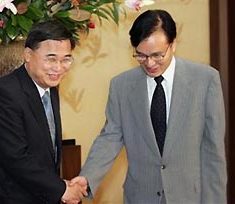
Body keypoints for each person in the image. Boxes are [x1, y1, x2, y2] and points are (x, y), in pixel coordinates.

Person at [71, 9, 227, 204]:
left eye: (157, 55)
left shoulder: (205, 80)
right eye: (141, 55)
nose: (150, 63)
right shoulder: (122, 86)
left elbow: (213, 153)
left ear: (173, 44)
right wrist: (86, 179)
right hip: (140, 196)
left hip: (189, 197)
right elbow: (110, 137)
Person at [0, 20, 87, 204]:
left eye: (66, 59)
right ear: (28, 55)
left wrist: (60, 186)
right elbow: (16, 158)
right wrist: (61, 189)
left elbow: (45, 151)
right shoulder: (4, 93)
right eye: (51, 59)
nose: (59, 67)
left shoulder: (49, 88)